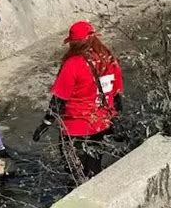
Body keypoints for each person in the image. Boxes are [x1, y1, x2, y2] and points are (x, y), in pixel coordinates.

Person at [33, 21, 123, 178]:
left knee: (75, 173)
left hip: (75, 127)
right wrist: (117, 119)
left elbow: (59, 99)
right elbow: (116, 95)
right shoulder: (109, 59)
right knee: (94, 169)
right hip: (101, 125)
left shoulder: (73, 64)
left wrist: (46, 123)